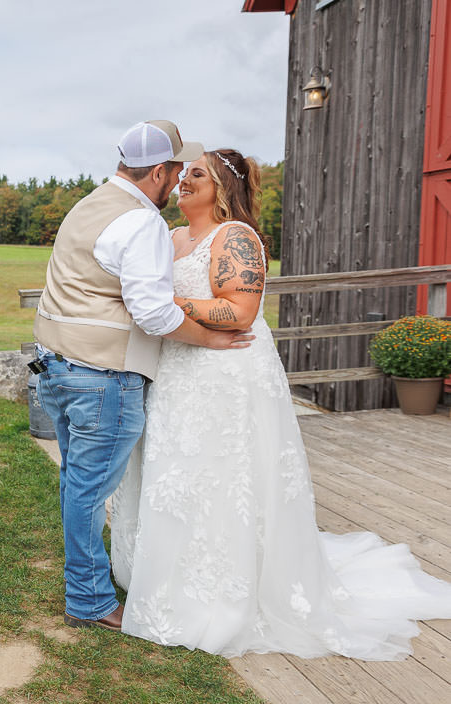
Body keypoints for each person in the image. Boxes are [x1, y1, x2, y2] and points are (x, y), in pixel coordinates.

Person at [109, 149, 451, 659]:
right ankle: (164, 571)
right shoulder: (173, 238)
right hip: (177, 370)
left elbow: (239, 311)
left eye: (196, 174)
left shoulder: (237, 237)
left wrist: (160, 304)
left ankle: (226, 587)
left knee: (223, 472)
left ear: (223, 187)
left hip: (224, 371)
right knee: (177, 469)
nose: (182, 181)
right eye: (182, 174)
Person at [32, 120, 254, 633]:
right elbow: (152, 313)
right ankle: (88, 599)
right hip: (101, 377)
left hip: (57, 368)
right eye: (175, 171)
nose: (177, 182)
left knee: (76, 484)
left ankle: (94, 581)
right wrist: (209, 339)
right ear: (158, 169)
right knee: (88, 492)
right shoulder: (141, 222)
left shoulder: (87, 205)